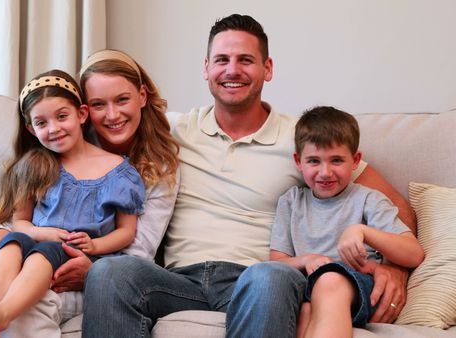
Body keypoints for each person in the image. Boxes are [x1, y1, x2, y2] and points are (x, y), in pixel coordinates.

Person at [82, 14, 416, 338]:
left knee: (271, 275)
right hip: (178, 281)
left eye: (245, 60)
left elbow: (396, 204)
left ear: (267, 69)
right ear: (206, 68)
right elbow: (101, 125)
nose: (232, 70)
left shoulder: (302, 142)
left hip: (256, 280)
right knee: (110, 272)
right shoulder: (172, 130)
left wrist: (394, 269)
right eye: (222, 59)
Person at [0, 50, 180, 337]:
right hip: (29, 251)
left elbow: (136, 250)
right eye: (99, 104)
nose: (112, 115)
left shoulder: (148, 169)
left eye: (122, 99)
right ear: (86, 109)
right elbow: (13, 221)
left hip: (89, 270)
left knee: (33, 298)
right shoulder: (48, 155)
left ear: (142, 97)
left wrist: (92, 262)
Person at [269, 106, 424, 338]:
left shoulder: (368, 199)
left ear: (355, 161)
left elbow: (414, 254)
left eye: (336, 160)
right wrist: (306, 259)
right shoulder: (291, 202)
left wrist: (363, 231)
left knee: (329, 281)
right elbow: (277, 263)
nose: (325, 172)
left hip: (357, 289)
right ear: (298, 162)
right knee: (304, 311)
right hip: (308, 290)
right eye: (314, 161)